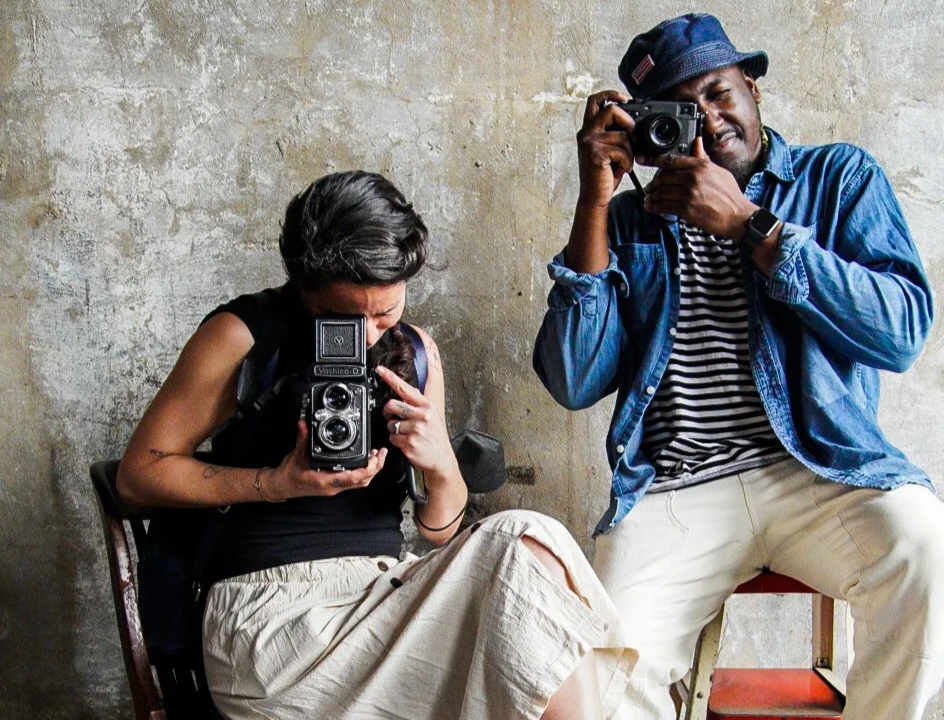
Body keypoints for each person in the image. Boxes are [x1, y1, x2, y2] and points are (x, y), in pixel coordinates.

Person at [533, 13, 944, 720]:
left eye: (719, 94)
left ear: (754, 87)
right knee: (593, 685)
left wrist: (754, 226)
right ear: (645, 132)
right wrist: (594, 200)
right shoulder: (628, 221)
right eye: (679, 113)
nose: (709, 122)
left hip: (818, 471)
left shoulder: (838, 179)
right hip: (677, 487)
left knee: (932, 560)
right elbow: (573, 381)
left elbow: (901, 331)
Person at [117, 170, 638, 720]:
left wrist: (438, 462)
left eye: (385, 312)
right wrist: (275, 483)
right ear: (304, 289)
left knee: (531, 547)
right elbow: (137, 476)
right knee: (522, 562)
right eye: (342, 317)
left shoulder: (416, 354)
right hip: (270, 622)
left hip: (384, 595)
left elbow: (439, 531)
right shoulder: (245, 336)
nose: (368, 335)